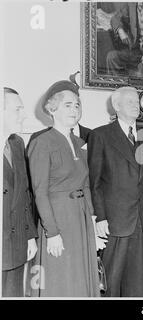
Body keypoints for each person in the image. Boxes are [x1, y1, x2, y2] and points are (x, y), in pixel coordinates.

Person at [28, 80, 104, 297]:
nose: (75, 109)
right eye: (68, 105)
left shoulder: (80, 143)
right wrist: (52, 233)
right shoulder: (42, 142)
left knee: (82, 278)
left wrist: (92, 223)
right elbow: (40, 192)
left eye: (77, 105)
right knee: (60, 279)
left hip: (81, 219)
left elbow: (86, 185)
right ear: (52, 109)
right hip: (58, 219)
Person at [88, 86, 143, 297]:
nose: (135, 105)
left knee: (136, 283)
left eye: (136, 101)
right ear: (116, 105)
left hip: (142, 220)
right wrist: (100, 217)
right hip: (115, 220)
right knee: (112, 279)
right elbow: (95, 182)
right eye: (129, 101)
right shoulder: (100, 135)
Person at [2, 87, 38, 297]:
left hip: (16, 245)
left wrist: (30, 236)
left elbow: (24, 194)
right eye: (18, 109)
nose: (23, 115)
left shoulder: (17, 143)